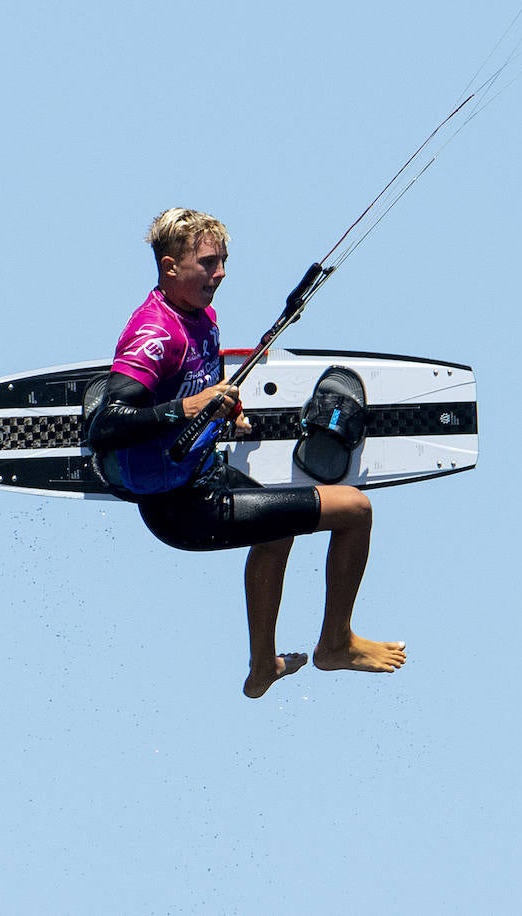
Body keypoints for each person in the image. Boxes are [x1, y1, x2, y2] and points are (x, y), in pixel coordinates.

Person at [88, 208, 406, 698]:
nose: (221, 274)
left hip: (199, 476)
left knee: (279, 531)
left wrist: (221, 406)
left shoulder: (200, 316)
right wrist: (187, 407)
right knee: (355, 510)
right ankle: (336, 643)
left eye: (224, 262)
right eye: (209, 263)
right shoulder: (156, 333)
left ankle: (263, 667)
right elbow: (107, 424)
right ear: (170, 267)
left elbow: (202, 381)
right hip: (181, 509)